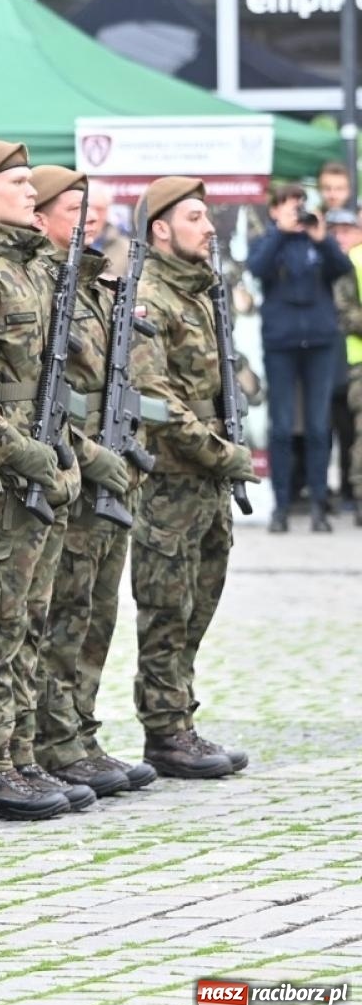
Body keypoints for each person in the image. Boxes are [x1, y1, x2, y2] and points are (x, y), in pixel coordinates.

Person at [0, 140, 86, 822]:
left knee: (31, 618)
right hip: (6, 475)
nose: (30, 192)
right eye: (18, 182)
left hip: (44, 459)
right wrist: (17, 450)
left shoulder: (32, 268)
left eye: (33, 181)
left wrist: (66, 448)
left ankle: (22, 751)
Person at [28, 165, 152, 798]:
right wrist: (81, 453)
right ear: (40, 215)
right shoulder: (45, 286)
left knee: (97, 610)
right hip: (66, 470)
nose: (90, 218)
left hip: (107, 467)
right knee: (61, 610)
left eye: (95, 207)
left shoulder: (98, 285)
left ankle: (78, 727)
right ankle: (51, 737)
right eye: (74, 208)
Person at [130, 176, 257, 779]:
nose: (210, 228)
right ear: (161, 228)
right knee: (166, 607)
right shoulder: (148, 297)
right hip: (171, 478)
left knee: (200, 601)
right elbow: (152, 395)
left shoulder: (204, 292)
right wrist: (218, 451)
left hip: (208, 476)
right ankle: (165, 730)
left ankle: (181, 716)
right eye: (196, 218)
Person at [246, 183, 347, 532]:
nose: (296, 212)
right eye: (289, 206)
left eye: (300, 206)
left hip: (319, 342)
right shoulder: (266, 242)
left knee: (319, 426)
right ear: (274, 210)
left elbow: (341, 268)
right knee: (283, 427)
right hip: (281, 343)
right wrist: (280, 234)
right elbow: (256, 269)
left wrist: (323, 238)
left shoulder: (317, 241)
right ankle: (281, 506)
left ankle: (319, 505)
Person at [329, 208, 362, 525]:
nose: (340, 238)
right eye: (334, 231)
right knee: (341, 431)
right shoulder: (339, 264)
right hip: (344, 362)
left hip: (352, 362)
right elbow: (346, 314)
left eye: (346, 230)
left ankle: (354, 495)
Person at [86, 180, 130, 279]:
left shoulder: (125, 248)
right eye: (90, 208)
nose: (94, 215)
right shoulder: (68, 242)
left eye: (100, 209)